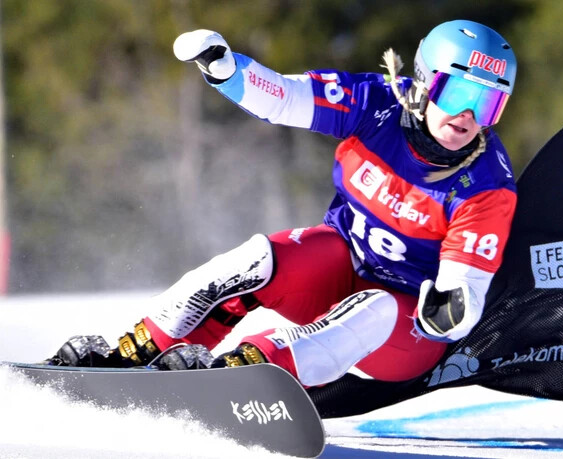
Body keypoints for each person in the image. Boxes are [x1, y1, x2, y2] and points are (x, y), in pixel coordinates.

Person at [46, 19, 518, 388]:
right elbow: (286, 97)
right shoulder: (376, 104)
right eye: (460, 93)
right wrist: (228, 71)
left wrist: (449, 309)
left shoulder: (486, 185)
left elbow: (464, 294)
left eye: (489, 104)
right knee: (257, 259)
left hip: (403, 331)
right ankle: (136, 353)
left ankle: (247, 371)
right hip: (340, 272)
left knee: (374, 306)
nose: (468, 116)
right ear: (425, 81)